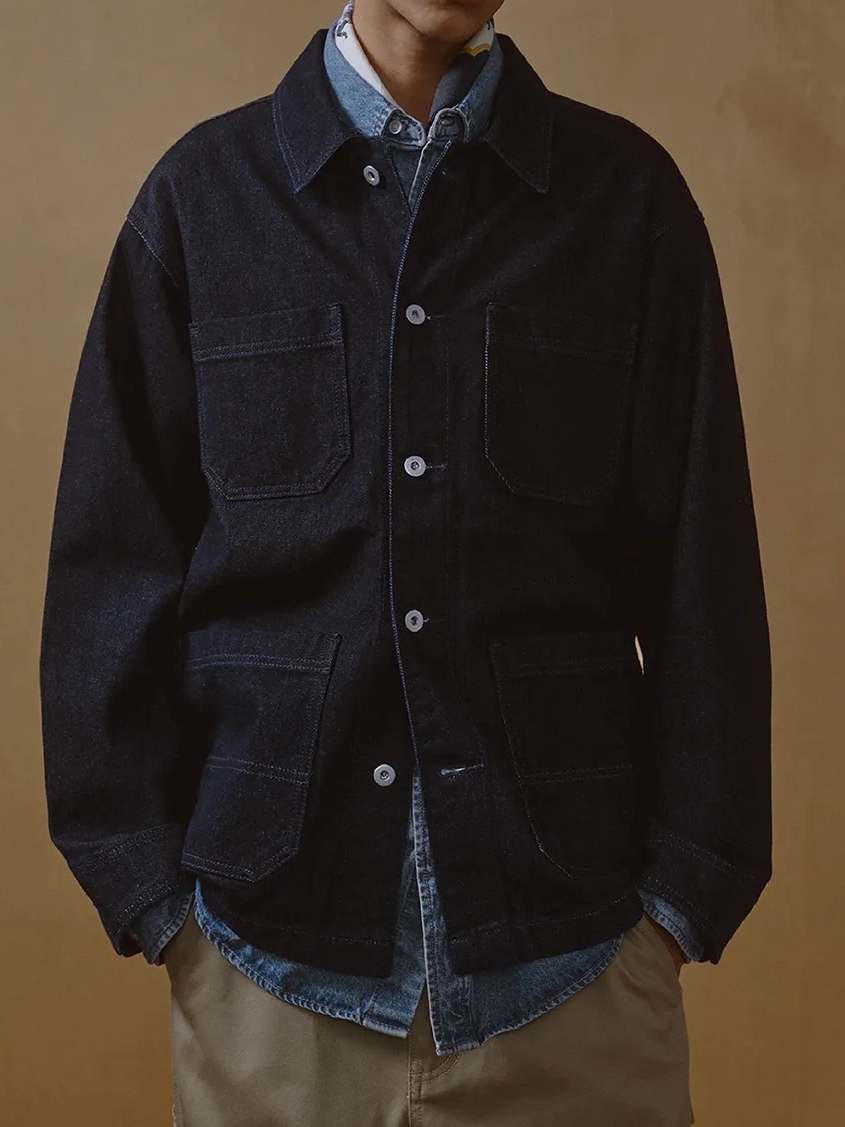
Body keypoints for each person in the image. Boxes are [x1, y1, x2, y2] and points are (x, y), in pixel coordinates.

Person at [39, 1, 772, 1124]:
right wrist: (148, 894)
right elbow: (112, 563)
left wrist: (683, 898)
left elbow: (700, 570)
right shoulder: (202, 198)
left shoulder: (625, 200)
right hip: (264, 974)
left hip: (576, 971)